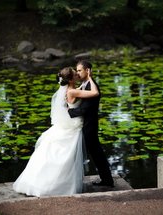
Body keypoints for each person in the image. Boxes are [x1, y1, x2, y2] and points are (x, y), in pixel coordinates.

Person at [13, 67, 99, 197]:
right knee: (67, 157)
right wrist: (90, 77)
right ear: (70, 79)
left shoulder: (70, 90)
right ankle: (57, 185)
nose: (77, 75)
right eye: (75, 74)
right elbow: (94, 93)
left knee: (62, 156)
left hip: (69, 124)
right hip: (73, 127)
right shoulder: (72, 92)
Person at [68, 60, 114, 187]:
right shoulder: (84, 85)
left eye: (79, 70)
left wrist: (69, 112)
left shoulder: (92, 86)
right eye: (76, 70)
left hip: (89, 126)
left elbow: (84, 109)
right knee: (94, 153)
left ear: (87, 70)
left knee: (96, 154)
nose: (77, 73)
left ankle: (107, 180)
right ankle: (107, 180)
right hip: (84, 125)